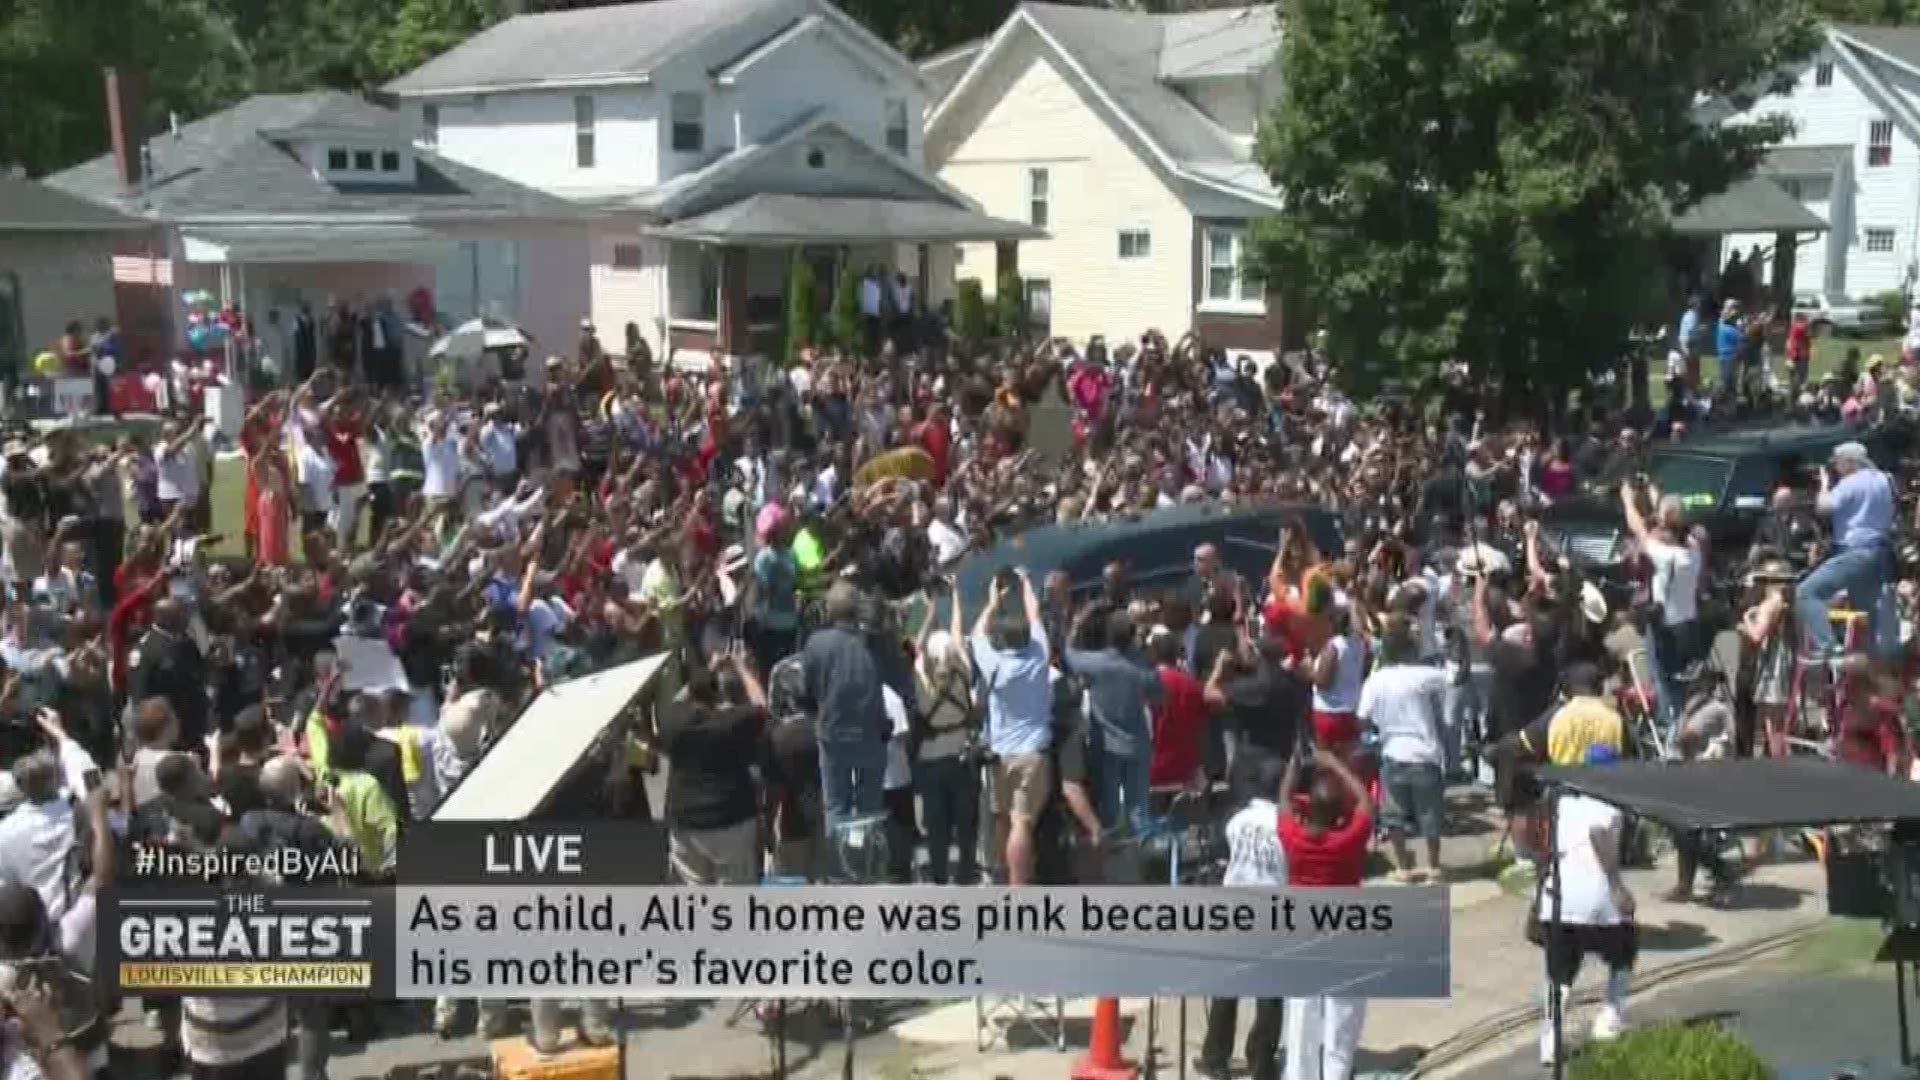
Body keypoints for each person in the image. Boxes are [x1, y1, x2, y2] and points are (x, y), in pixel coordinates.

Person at [1537, 744, 1637, 1067]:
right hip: (1596, 896)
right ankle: (1610, 1019)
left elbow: (1544, 841)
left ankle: (1550, 1040)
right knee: (1624, 949)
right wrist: (1619, 887)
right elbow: (1598, 835)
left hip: (1559, 895)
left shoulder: (1563, 802)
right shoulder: (1611, 806)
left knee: (1559, 973)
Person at [1278, 749, 1372, 1080]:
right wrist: (1335, 763)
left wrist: (1294, 767)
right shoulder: (1348, 840)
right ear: (1340, 814)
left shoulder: (1294, 838)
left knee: (1303, 1012)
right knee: (1342, 1016)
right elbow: (1366, 804)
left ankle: (1299, 1074)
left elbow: (1284, 802)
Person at [1195, 753, 1287, 1080]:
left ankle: (1215, 1058)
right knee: (1270, 995)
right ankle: (1261, 1062)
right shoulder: (1287, 825)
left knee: (1227, 989)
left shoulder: (1237, 820)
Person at [968, 567, 1052, 885]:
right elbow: (1034, 611)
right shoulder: (1039, 655)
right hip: (1032, 752)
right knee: (1021, 821)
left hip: (1000, 753)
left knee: (1004, 818)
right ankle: (1018, 888)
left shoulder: (995, 665)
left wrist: (992, 601)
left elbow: (976, 634)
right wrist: (1027, 580)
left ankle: (1005, 878)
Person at [1358, 615, 1448, 881]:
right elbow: (1455, 677)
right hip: (1425, 754)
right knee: (1430, 814)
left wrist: (1375, 732)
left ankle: (1403, 867)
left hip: (1392, 752)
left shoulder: (1376, 680)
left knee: (1393, 815)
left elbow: (1362, 717)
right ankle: (1433, 866)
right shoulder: (1424, 675)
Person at [800, 581, 887, 830]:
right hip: (871, 733)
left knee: (836, 805)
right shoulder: (875, 642)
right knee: (871, 806)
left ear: (829, 610)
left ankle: (840, 864)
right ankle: (869, 860)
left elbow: (807, 690)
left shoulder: (816, 643)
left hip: (832, 733)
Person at [1798, 441, 1896, 659]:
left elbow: (1823, 508)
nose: (1835, 468)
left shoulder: (1850, 482)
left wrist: (1824, 485)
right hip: (1879, 553)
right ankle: (1869, 670)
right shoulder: (1883, 480)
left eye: (1837, 463)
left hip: (1855, 551)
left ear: (1850, 462)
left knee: (1807, 593)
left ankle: (1828, 647)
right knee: (1866, 616)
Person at [1620, 482, 1702, 727]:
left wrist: (1627, 500)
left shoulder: (1664, 555)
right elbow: (1670, 522)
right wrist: (1657, 497)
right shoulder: (1693, 550)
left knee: (1662, 679)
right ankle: (1685, 724)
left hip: (1664, 625)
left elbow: (1638, 528)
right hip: (1687, 621)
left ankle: (1671, 729)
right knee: (1681, 680)